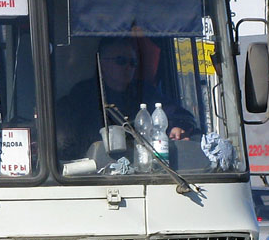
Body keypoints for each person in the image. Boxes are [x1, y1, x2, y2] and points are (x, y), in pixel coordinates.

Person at [56, 36, 196, 161]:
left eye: (133, 62)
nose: (128, 67)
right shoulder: (82, 95)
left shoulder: (145, 92)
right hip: (94, 174)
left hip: (140, 167)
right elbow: (66, 142)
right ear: (102, 64)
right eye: (121, 61)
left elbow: (181, 115)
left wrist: (179, 126)